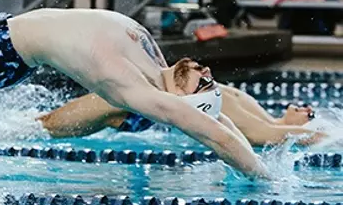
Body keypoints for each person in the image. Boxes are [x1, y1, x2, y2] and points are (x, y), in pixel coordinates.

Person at [0, 9, 269, 178]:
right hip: (9, 47)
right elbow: (218, 120)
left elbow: (209, 131)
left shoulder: (133, 87)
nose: (207, 71)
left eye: (204, 84)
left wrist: (262, 178)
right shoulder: (153, 63)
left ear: (182, 101)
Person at [38, 58, 326, 147]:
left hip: (143, 104)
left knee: (42, 128)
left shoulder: (256, 125)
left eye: (310, 116)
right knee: (50, 125)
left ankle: (23, 129)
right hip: (151, 102)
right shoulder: (260, 113)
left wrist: (327, 137)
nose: (307, 110)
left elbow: (271, 135)